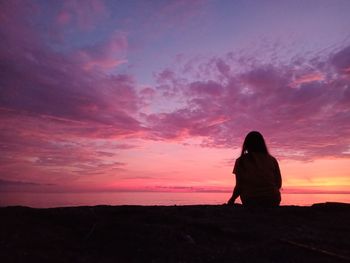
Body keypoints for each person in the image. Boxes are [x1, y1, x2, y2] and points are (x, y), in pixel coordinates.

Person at [227, 131, 282, 207]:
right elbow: (279, 184)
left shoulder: (241, 161)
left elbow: (239, 186)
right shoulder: (272, 160)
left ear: (246, 144)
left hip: (251, 200)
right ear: (262, 144)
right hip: (273, 200)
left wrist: (232, 199)